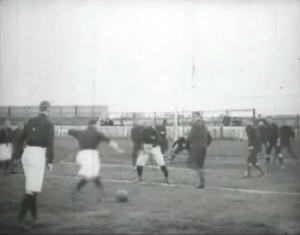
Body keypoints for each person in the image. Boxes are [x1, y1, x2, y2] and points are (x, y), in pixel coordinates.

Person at [16, 101, 54, 231]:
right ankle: (19, 220)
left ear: (39, 109)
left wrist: (18, 155)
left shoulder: (30, 121)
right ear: (48, 110)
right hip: (38, 154)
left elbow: (20, 138)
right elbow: (50, 143)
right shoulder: (48, 124)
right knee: (31, 189)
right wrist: (50, 161)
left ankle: (34, 219)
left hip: (27, 153)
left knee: (32, 187)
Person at [68, 119, 124, 203]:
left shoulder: (80, 132)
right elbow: (110, 141)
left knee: (94, 174)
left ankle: (101, 193)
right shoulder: (97, 134)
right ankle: (75, 192)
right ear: (95, 125)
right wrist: (118, 149)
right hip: (91, 155)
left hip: (81, 154)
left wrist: (77, 140)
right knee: (90, 175)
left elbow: (70, 131)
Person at [186, 112, 211, 189]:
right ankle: (201, 181)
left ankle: (201, 181)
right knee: (198, 165)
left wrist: (187, 139)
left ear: (198, 117)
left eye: (194, 116)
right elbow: (209, 137)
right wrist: (206, 144)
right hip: (203, 146)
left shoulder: (195, 125)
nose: (193, 118)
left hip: (197, 147)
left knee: (192, 164)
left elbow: (190, 137)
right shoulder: (204, 125)